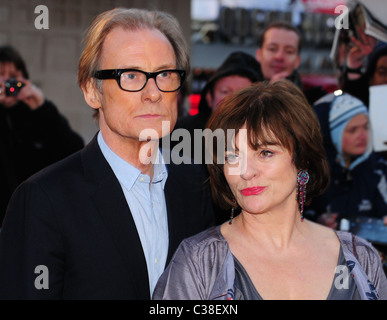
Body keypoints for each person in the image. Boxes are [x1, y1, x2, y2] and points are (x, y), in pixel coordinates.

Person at [0, 8, 214, 300]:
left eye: (164, 74)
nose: (153, 92)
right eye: (131, 75)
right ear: (92, 91)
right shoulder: (43, 200)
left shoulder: (197, 185)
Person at [153, 80, 387, 300]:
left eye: (265, 153)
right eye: (232, 156)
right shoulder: (200, 263)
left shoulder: (360, 259)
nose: (246, 171)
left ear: (303, 159)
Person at [0, 46, 84, 226]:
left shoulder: (39, 115)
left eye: (13, 76)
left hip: (33, 219)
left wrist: (41, 106)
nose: (7, 82)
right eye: (1, 74)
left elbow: (73, 150)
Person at [306, 92, 387, 229]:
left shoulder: (378, 169)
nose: (362, 136)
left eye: (366, 127)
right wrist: (316, 222)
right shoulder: (313, 172)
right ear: (334, 134)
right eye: (352, 130)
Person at [255, 21, 325, 105]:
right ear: (259, 54)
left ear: (297, 60)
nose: (279, 57)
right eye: (272, 49)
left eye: (289, 51)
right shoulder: (239, 91)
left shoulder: (316, 103)